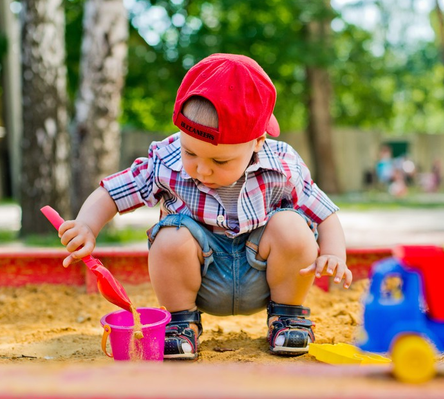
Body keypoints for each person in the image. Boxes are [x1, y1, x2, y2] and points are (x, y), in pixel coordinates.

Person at [54, 53, 352, 360]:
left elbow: (324, 213)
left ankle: (288, 318)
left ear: (258, 142)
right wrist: (87, 225)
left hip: (262, 275)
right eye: (190, 153)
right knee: (170, 236)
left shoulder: (283, 164)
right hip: (199, 278)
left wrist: (333, 253)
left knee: (292, 226)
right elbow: (114, 192)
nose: (202, 169)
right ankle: (182, 324)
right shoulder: (167, 159)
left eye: (219, 161)